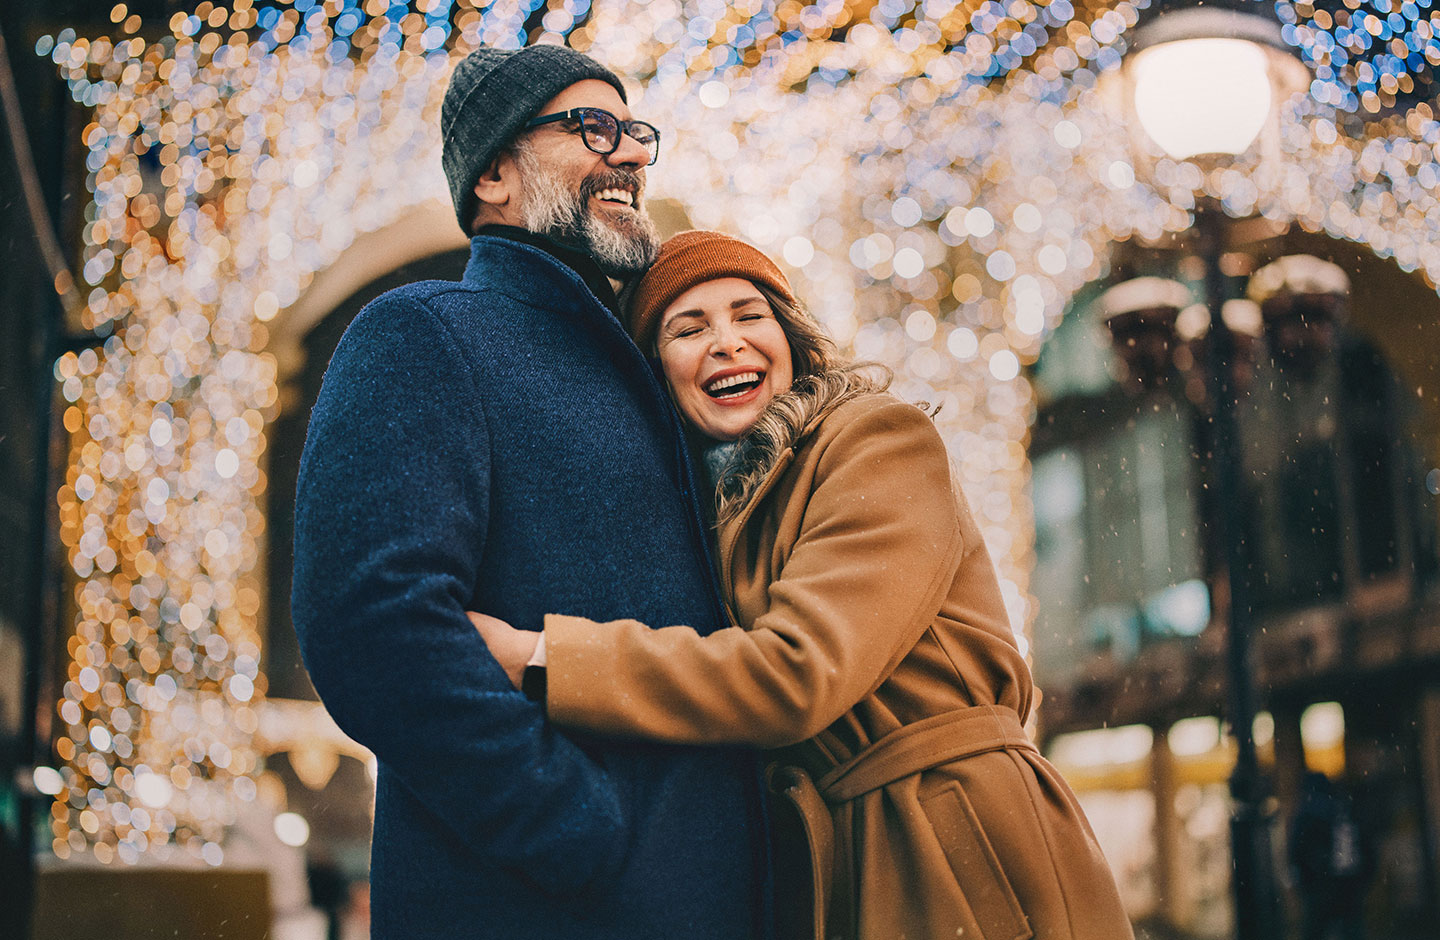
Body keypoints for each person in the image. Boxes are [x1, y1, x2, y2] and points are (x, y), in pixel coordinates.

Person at [473, 231, 1135, 940]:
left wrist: (540, 658)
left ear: (790, 335)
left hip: (958, 835)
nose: (728, 343)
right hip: (840, 849)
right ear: (656, 373)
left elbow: (796, 672)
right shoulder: (707, 509)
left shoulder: (875, 441)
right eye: (688, 328)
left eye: (749, 314)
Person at [290, 48, 765, 940]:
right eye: (592, 128)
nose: (628, 153)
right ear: (495, 173)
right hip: (549, 908)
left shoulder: (653, 375)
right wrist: (577, 830)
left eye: (633, 132)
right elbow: (372, 625)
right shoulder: (424, 336)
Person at [1289, 771, 1371, 940]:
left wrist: (1305, 879)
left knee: (1316, 929)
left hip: (1321, 883)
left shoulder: (1308, 812)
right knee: (1351, 928)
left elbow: (1297, 850)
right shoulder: (1344, 809)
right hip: (1348, 883)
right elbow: (1366, 845)